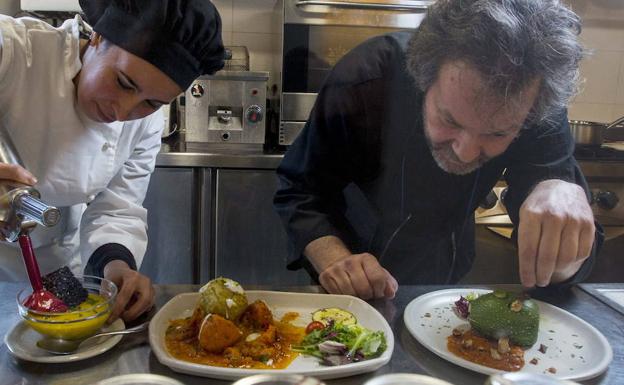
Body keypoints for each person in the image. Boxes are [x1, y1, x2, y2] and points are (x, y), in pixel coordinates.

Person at [274, 0, 603, 300]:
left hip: (447, 270)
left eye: (498, 133)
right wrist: (337, 260)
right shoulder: (367, 78)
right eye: (450, 119)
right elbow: (301, 191)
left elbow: (566, 236)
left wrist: (560, 196)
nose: (465, 151)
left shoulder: (537, 99)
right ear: (422, 77)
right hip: (352, 263)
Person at [0, 0, 224, 322]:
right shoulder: (18, 53)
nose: (122, 112)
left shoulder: (147, 125)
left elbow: (117, 207)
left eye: (150, 102)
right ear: (97, 38)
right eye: (123, 82)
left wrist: (116, 266)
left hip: (56, 272)